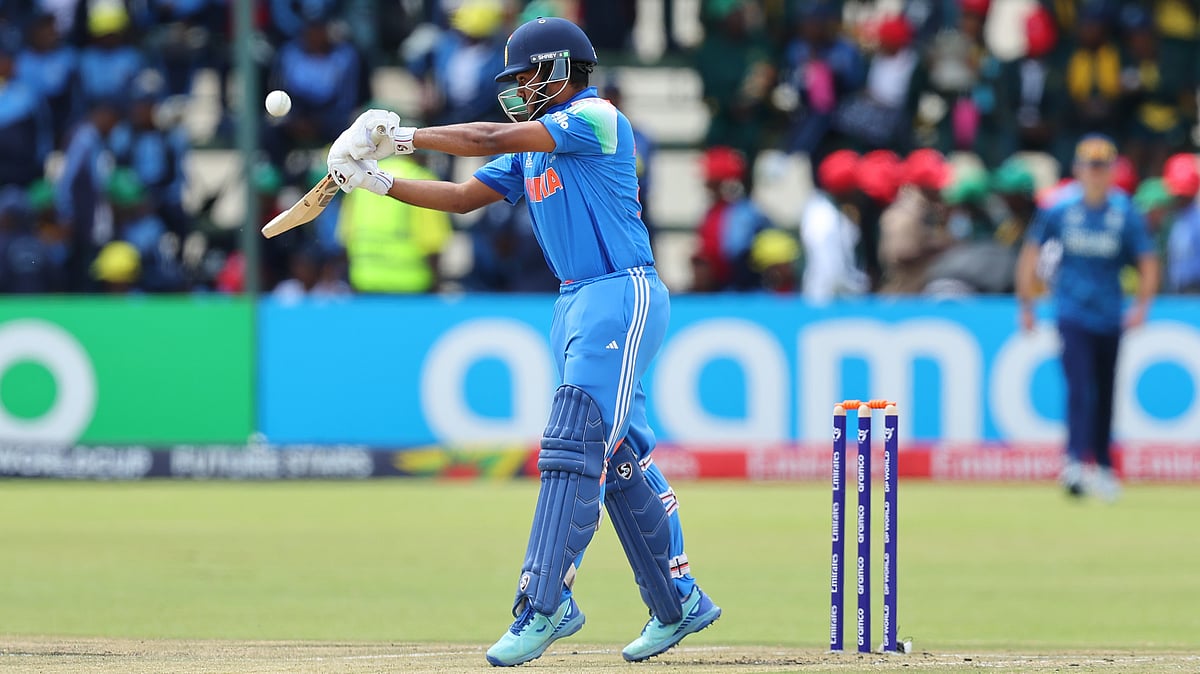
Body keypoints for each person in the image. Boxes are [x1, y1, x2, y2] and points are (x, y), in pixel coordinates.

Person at [323, 16, 721, 667]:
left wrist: (397, 137)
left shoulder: (596, 118)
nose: (519, 87)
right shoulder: (534, 151)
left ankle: (545, 603)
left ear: (563, 69)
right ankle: (679, 602)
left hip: (621, 290)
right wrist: (374, 182)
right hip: (575, 301)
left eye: (529, 74)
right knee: (614, 456)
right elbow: (458, 197)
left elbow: (481, 134)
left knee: (574, 440)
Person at [1015, 135, 1160, 502]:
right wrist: (1027, 304)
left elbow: (1146, 261)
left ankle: (1107, 466)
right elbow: (1031, 253)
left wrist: (1142, 305)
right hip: (1072, 311)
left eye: (1103, 167)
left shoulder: (1124, 211)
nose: (1096, 175)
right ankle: (1076, 462)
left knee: (1106, 390)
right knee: (1079, 388)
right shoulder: (1059, 209)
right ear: (1078, 169)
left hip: (1110, 314)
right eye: (1090, 167)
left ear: (1112, 171)